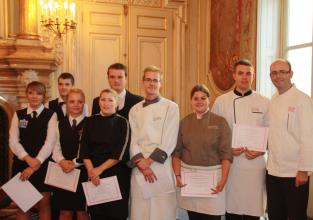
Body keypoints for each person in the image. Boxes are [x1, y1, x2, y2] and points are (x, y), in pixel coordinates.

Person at [212, 59, 269, 220]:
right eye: (241, 73)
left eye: (248, 73)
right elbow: (215, 133)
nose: (244, 77)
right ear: (234, 76)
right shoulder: (221, 102)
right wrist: (227, 150)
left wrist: (261, 149)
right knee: (232, 210)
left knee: (253, 210)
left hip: (255, 165)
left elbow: (270, 132)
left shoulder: (265, 102)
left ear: (253, 76)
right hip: (232, 164)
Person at [266, 59, 313, 220]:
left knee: (296, 216)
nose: (278, 76)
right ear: (270, 76)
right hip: (273, 171)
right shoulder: (272, 100)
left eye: (282, 72)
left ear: (291, 74)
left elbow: (310, 137)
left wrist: (303, 170)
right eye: (274, 73)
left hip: (295, 172)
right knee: (275, 215)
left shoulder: (302, 100)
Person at [172, 84, 233, 220]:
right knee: (193, 217)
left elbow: (226, 154)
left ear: (209, 100)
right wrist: (177, 175)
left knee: (212, 216)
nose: (199, 101)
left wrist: (223, 179)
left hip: (213, 180)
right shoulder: (184, 122)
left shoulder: (220, 122)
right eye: (196, 98)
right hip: (190, 181)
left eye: (203, 98)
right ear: (191, 101)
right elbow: (176, 152)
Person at [128, 65, 179, 220]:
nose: (151, 84)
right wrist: (141, 164)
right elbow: (133, 140)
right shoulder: (135, 109)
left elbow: (170, 140)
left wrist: (149, 162)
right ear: (143, 82)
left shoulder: (171, 107)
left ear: (160, 83)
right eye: (148, 80)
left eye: (155, 80)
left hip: (160, 166)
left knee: (162, 212)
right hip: (140, 167)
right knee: (140, 211)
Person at [9, 81, 57, 220]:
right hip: (22, 164)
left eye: (38, 93)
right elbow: (13, 141)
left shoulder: (51, 114)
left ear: (44, 96)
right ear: (26, 95)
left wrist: (36, 163)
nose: (34, 96)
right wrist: (27, 159)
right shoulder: (19, 114)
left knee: (44, 204)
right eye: (31, 93)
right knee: (23, 205)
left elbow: (50, 142)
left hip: (42, 165)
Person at [79, 89, 130, 220]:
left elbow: (120, 152)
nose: (106, 103)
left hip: (116, 175)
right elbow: (84, 149)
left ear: (117, 103)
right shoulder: (89, 121)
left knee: (116, 215)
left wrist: (99, 170)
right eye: (103, 99)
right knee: (96, 215)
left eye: (110, 100)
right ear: (98, 102)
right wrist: (91, 171)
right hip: (93, 176)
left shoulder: (123, 122)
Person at [52, 88, 88, 220]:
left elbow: (89, 150)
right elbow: (55, 148)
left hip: (83, 172)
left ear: (84, 103)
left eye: (79, 101)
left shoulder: (91, 123)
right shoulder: (58, 124)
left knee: (81, 212)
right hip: (63, 171)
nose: (76, 105)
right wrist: (62, 161)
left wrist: (74, 163)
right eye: (72, 101)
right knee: (65, 212)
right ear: (66, 103)